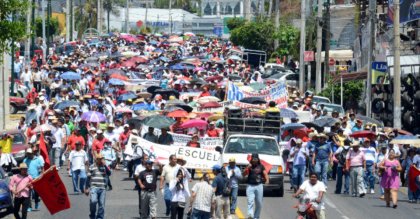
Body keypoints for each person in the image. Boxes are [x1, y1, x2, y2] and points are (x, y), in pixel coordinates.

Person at [242, 153, 269, 219]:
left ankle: (256, 217)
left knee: (259, 203)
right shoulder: (249, 166)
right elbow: (243, 174)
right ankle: (250, 215)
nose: (254, 160)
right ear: (251, 159)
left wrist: (267, 180)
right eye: (253, 159)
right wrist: (247, 168)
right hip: (250, 186)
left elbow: (265, 174)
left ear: (258, 159)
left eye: (256, 159)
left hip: (259, 186)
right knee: (250, 201)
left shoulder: (261, 166)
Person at [85, 153, 111, 219]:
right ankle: (92, 215)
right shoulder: (92, 166)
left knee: (101, 204)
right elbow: (88, 177)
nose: (101, 160)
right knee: (93, 201)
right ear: (96, 159)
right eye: (99, 159)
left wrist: (105, 165)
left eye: (102, 159)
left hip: (102, 188)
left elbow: (109, 173)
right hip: (94, 187)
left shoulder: (105, 166)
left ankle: (100, 217)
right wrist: (86, 188)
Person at [23, 147, 44, 211]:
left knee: (36, 193)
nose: (28, 155)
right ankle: (29, 207)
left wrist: (42, 175)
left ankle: (36, 202)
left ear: (32, 153)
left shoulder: (38, 159)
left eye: (30, 154)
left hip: (36, 178)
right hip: (28, 179)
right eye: (27, 154)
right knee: (28, 194)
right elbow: (23, 169)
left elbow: (42, 167)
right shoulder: (25, 160)